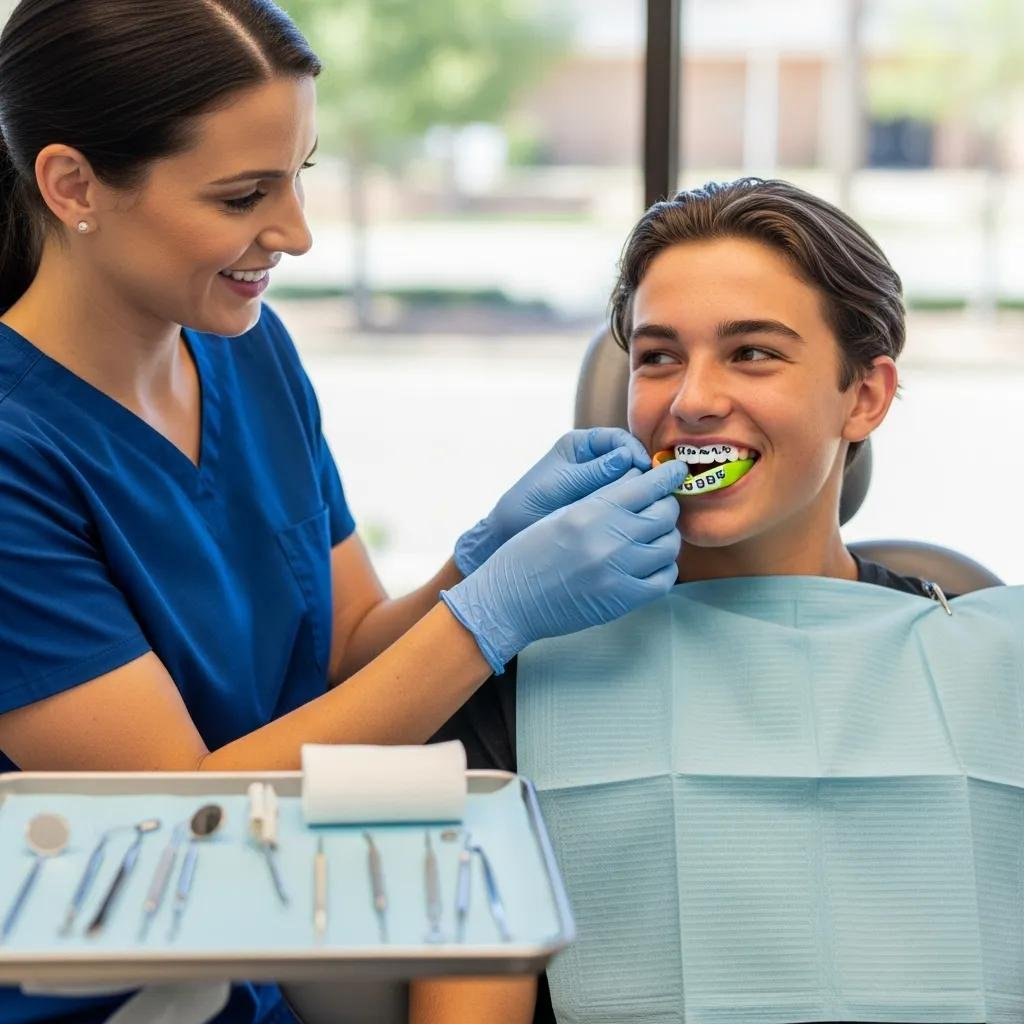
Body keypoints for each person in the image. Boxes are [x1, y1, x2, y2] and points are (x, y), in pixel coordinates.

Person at [0, 2, 688, 1023]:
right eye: (244, 195)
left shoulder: (248, 350)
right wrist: (490, 614)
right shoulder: (17, 451)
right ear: (72, 185)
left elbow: (347, 650)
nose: (296, 233)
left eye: (300, 174)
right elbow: (179, 820)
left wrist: (480, 557)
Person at [415, 177, 939, 1024]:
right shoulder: (524, 686)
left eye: (752, 353)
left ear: (865, 396)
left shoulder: (968, 666)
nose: (692, 401)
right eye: (658, 357)